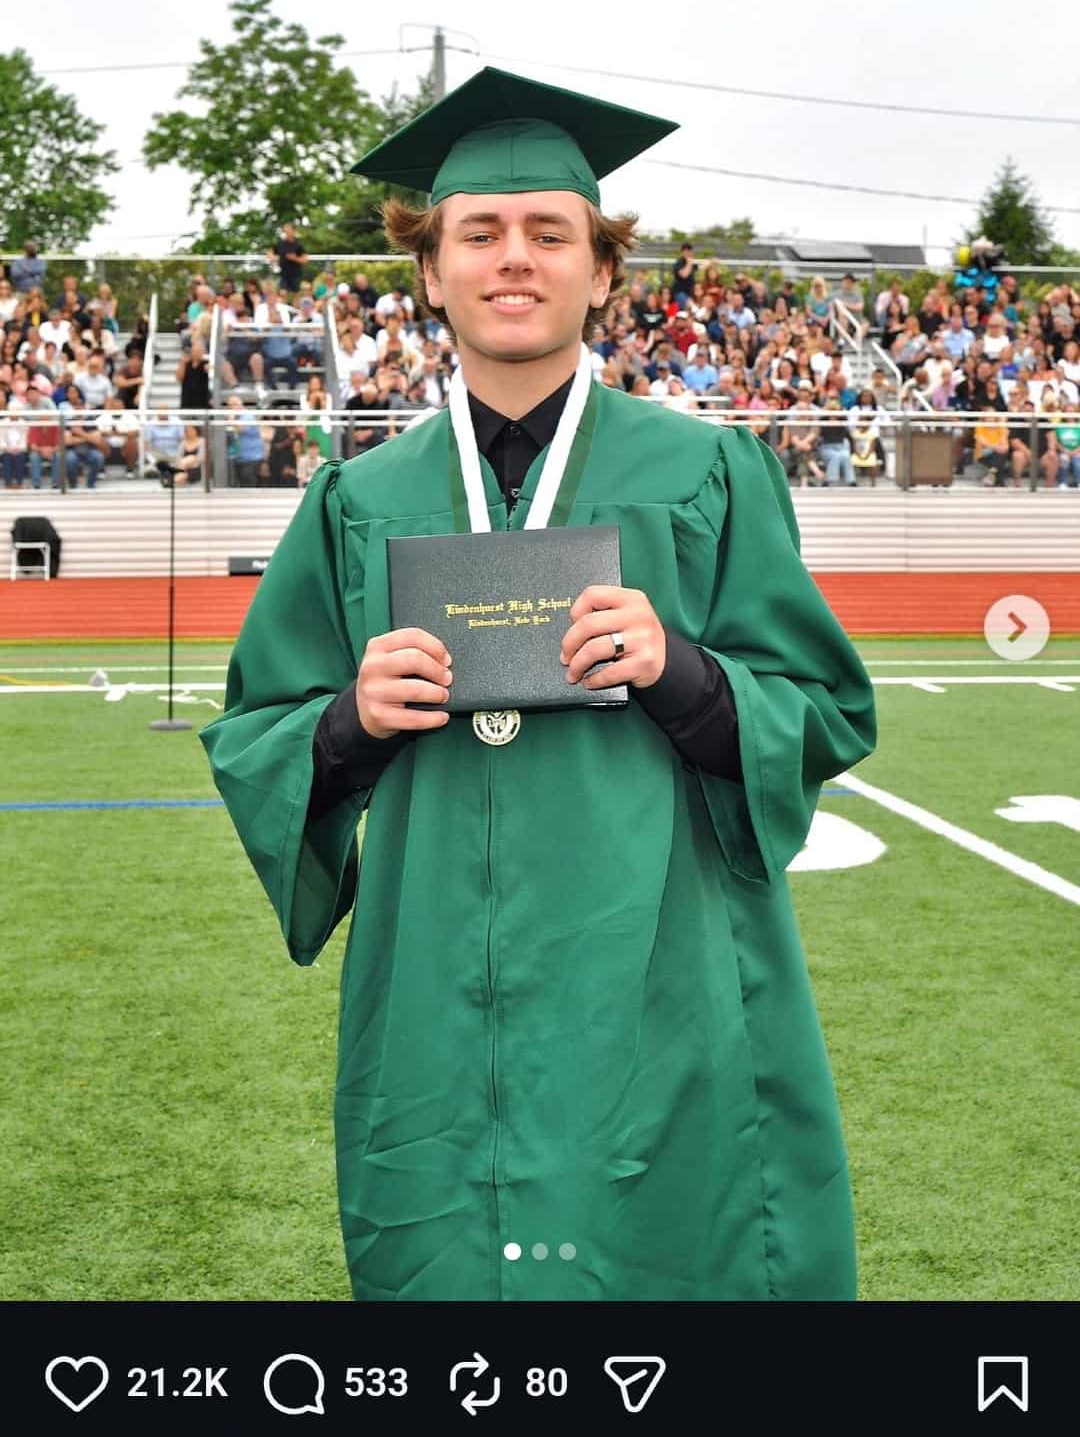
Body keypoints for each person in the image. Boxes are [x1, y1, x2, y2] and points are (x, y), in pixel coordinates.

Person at [200, 67, 876, 1303]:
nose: (516, 259)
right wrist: (350, 718)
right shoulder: (359, 500)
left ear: (602, 271)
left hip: (664, 970)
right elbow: (257, 730)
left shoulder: (709, 473)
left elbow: (825, 706)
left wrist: (684, 670)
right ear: (431, 270)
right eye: (481, 233)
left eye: (549, 233)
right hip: (435, 981)